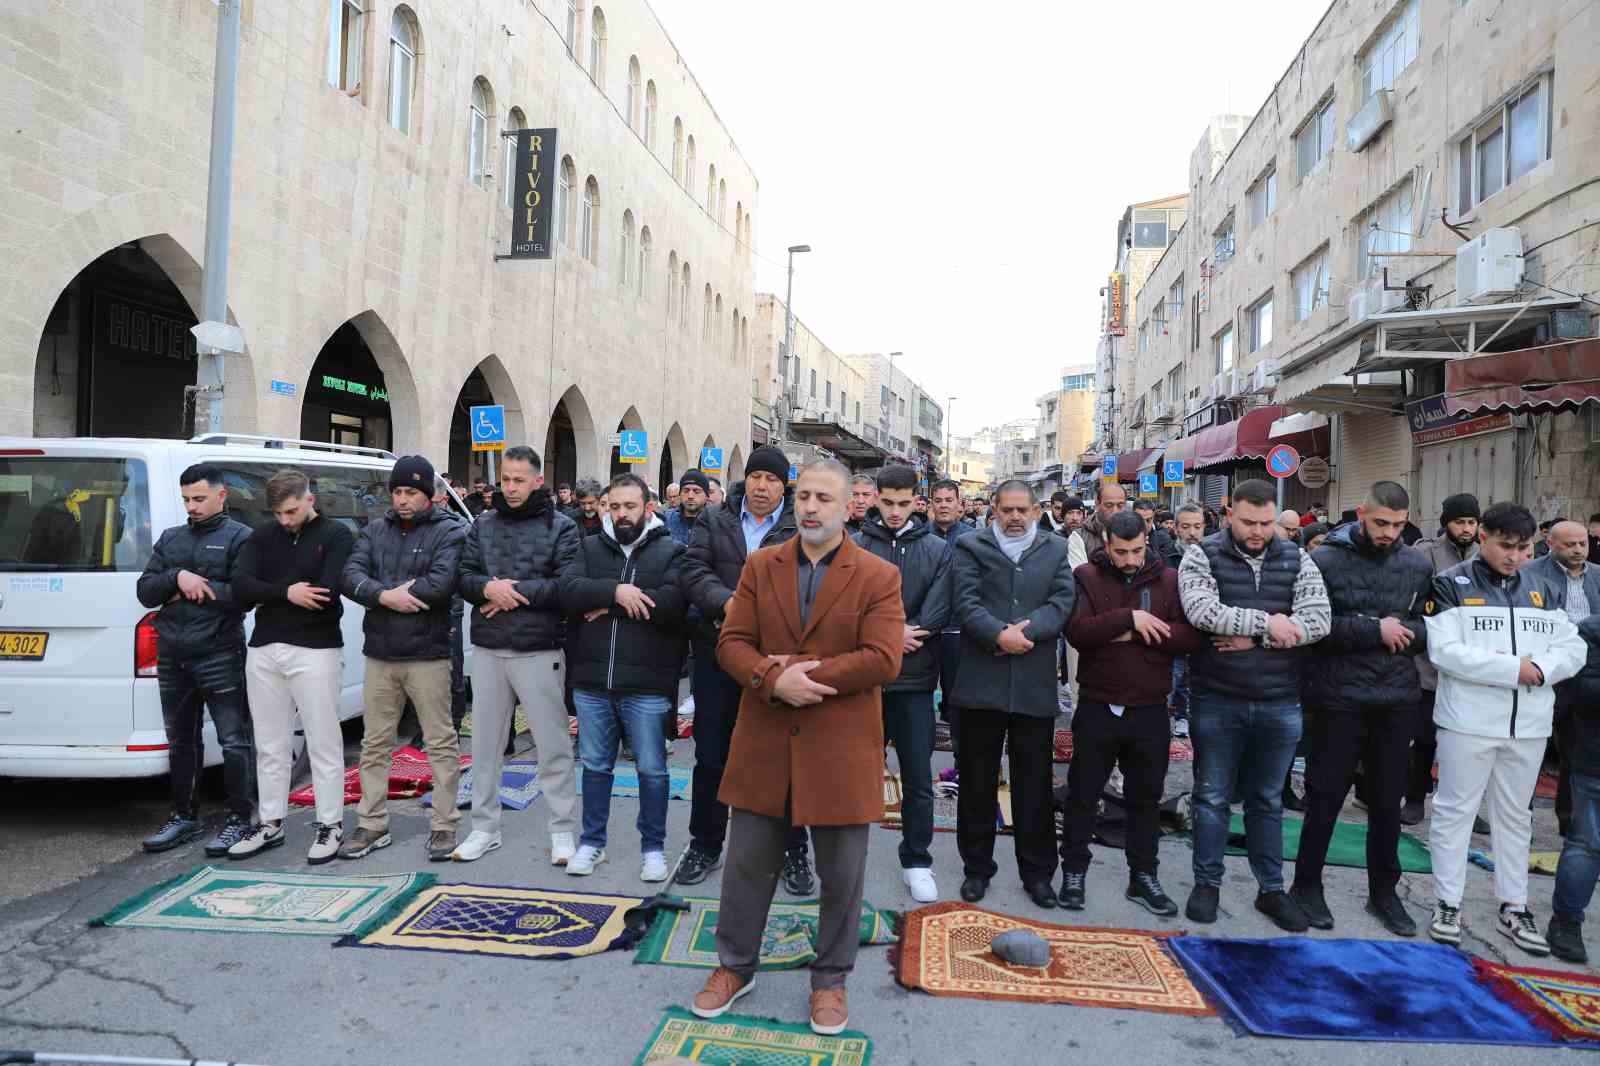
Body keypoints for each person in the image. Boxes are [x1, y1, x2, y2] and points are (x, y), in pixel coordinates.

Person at [688, 459, 903, 1036]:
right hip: (765, 739)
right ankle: (734, 967)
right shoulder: (761, 567)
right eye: (802, 495)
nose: (810, 506)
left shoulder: (878, 575)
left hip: (840, 744)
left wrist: (804, 674)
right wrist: (768, 678)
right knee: (746, 867)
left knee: (842, 874)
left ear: (847, 507)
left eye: (823, 498)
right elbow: (731, 642)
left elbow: (884, 657)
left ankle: (830, 979)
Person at [1423, 501, 1586, 954]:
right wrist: (1516, 668)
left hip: (1530, 724)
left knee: (1516, 818)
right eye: (1505, 546)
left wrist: (1543, 669)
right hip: (1467, 722)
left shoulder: (1542, 586)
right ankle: (1447, 901)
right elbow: (1445, 652)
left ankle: (1514, 905)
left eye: (1523, 547)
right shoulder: (1449, 584)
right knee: (1455, 812)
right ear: (1483, 539)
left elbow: (1571, 647)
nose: (1514, 556)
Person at [1177, 478, 1331, 931]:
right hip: (1218, 697)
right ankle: (1207, 883)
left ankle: (1271, 889)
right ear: (1229, 514)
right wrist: (1272, 625)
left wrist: (1253, 636)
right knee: (1211, 797)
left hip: (1280, 700)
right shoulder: (1200, 554)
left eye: (1266, 523)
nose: (1259, 531)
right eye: (1249, 522)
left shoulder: (1297, 556)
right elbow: (1202, 612)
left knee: (1267, 800)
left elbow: (1319, 620)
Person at [1290, 481, 1433, 935]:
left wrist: (1406, 633)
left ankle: (1384, 894)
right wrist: (1375, 631)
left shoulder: (1417, 563)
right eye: (1381, 523)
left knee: (1387, 802)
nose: (1390, 532)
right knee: (1325, 798)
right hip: (1336, 699)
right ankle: (1306, 886)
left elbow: (1431, 627)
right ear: (1360, 514)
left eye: (1398, 524)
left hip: (1395, 699)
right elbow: (1312, 626)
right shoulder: (1324, 560)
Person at [1059, 511, 1202, 915]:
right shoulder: (1087, 576)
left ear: (1147, 541)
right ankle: (1073, 870)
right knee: (1083, 794)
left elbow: (1189, 637)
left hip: (1150, 709)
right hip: (1098, 704)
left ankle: (1143, 876)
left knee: (1146, 799)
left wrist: (1132, 633)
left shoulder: (1168, 579)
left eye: (1136, 551)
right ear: (1106, 543)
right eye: (1120, 552)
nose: (1128, 560)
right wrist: (1131, 619)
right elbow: (1078, 632)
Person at [678, 445, 808, 889]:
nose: (762, 486)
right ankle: (704, 844)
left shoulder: (798, 525)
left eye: (772, 480)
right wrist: (729, 603)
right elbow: (693, 573)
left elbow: (810, 584)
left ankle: (793, 852)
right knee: (711, 754)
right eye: (756, 477)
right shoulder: (715, 520)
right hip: (719, 652)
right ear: (745, 480)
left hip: (777, 660)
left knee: (785, 758)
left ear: (783, 486)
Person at [450, 446, 581, 864]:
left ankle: (562, 830)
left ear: (537, 480)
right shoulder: (482, 525)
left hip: (539, 650)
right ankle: (484, 828)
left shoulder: (562, 527)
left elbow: (566, 585)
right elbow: (464, 576)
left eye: (518, 479)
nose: (509, 487)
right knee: (485, 747)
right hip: (489, 649)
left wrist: (511, 592)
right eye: (505, 479)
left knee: (553, 745)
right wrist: (487, 589)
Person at [950, 480, 1075, 909]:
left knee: (1034, 785)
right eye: (1008, 510)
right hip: (980, 685)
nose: (1016, 517)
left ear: (1037, 511)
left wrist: (1029, 632)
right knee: (977, 783)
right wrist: (997, 635)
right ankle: (976, 869)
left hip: (1032, 685)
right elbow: (964, 603)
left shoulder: (1056, 549)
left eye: (1023, 510)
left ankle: (1038, 873)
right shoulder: (970, 546)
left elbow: (1062, 602)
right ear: (995, 511)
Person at [339, 455, 469, 862]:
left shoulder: (451, 531)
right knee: (375, 743)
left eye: (410, 491)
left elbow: (440, 583)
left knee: (440, 742)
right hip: (380, 652)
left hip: (428, 652)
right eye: (397, 491)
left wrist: (382, 594)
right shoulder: (374, 530)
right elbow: (350, 574)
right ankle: (372, 823)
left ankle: (444, 826)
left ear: (429, 494)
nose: (402, 499)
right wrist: (384, 595)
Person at [560, 473, 687, 881]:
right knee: (595, 767)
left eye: (629, 506)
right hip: (593, 681)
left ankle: (653, 849)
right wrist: (617, 592)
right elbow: (569, 591)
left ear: (648, 507)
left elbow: (670, 604)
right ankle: (591, 843)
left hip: (647, 686)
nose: (621, 514)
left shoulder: (671, 551)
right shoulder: (590, 546)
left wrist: (608, 604)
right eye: (613, 507)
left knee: (652, 769)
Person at [228, 469, 355, 864]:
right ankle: (270, 823)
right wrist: (287, 590)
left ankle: (330, 824)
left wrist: (270, 591)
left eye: (292, 511)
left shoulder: (336, 535)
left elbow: (325, 592)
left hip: (315, 648)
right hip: (265, 648)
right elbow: (240, 585)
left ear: (310, 499)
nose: (285, 520)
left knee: (323, 741)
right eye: (279, 513)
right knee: (269, 742)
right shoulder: (263, 535)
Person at [135, 464, 257, 855]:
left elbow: (243, 596)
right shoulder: (172, 538)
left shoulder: (241, 537)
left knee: (233, 740)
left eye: (199, 498)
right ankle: (184, 816)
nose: (192, 506)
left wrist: (187, 587)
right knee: (181, 741)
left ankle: (240, 818)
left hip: (220, 651)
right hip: (173, 652)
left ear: (222, 495)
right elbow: (145, 591)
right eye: (186, 499)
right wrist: (177, 579)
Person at [855, 465, 952, 903]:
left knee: (917, 777)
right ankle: (846, 858)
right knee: (852, 775)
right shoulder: (855, 545)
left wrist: (903, 633)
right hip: (864, 680)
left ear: (918, 500)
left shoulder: (937, 549)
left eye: (903, 503)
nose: (894, 512)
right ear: (875, 498)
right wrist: (886, 635)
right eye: (887, 502)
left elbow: (939, 608)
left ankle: (917, 860)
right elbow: (846, 606)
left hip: (914, 681)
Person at [1404, 493, 1481, 826]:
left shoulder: (1484, 556)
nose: (1466, 529)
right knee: (1423, 738)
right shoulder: (1425, 554)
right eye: (1460, 522)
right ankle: (1415, 798)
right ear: (1446, 523)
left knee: (1468, 745)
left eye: (1471, 522)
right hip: (1429, 664)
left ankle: (1466, 807)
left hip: (1473, 667)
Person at [1524, 520, 1600, 840]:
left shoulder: (1598, 575)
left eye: (1582, 543)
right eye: (1570, 544)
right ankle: (1518, 821)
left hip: (1588, 673)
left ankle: (1570, 823)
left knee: (1576, 750)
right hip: (1546, 670)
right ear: (1551, 544)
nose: (1579, 550)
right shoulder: (1531, 575)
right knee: (1530, 747)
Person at [1548, 614, 1600, 961]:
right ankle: (1566, 922)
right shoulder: (1591, 629)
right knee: (1587, 843)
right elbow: (1580, 689)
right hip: (1593, 758)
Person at [929, 479, 975, 758]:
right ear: (931, 504)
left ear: (960, 505)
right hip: (926, 632)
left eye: (949, 500)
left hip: (960, 631)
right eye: (939, 500)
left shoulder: (972, 539)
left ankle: (962, 762)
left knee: (958, 699)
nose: (944, 505)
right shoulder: (921, 537)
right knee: (921, 698)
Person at [431, 476, 470, 732]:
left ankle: (454, 726)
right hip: (421, 610)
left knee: (453, 672)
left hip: (450, 610)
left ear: (443, 499)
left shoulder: (462, 528)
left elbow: (467, 570)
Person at [1168, 503, 1207, 736]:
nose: (1192, 532)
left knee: (1193, 683)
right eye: (1186, 527)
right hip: (1174, 632)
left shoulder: (1212, 557)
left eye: (1197, 526)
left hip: (1202, 634)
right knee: (1172, 680)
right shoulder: (1166, 557)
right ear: (1176, 528)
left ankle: (1184, 717)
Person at [665, 469, 710, 546]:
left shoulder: (716, 522)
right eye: (686, 491)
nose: (690, 496)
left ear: (706, 495)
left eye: (696, 491)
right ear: (680, 494)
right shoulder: (667, 519)